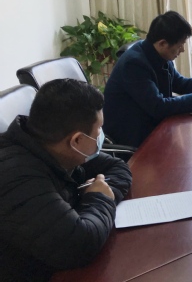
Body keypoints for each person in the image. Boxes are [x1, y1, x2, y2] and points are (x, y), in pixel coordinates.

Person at [0, 79, 132, 281]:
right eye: (98, 130)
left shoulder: (53, 144)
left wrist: (101, 193)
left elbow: (118, 168)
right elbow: (80, 245)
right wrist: (100, 197)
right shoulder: (16, 177)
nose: (101, 137)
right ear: (77, 140)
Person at [103, 11, 192, 148]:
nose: (182, 50)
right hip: (133, 137)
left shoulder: (157, 53)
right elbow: (158, 107)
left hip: (153, 127)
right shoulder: (134, 64)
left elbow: (180, 83)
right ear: (162, 43)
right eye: (180, 45)